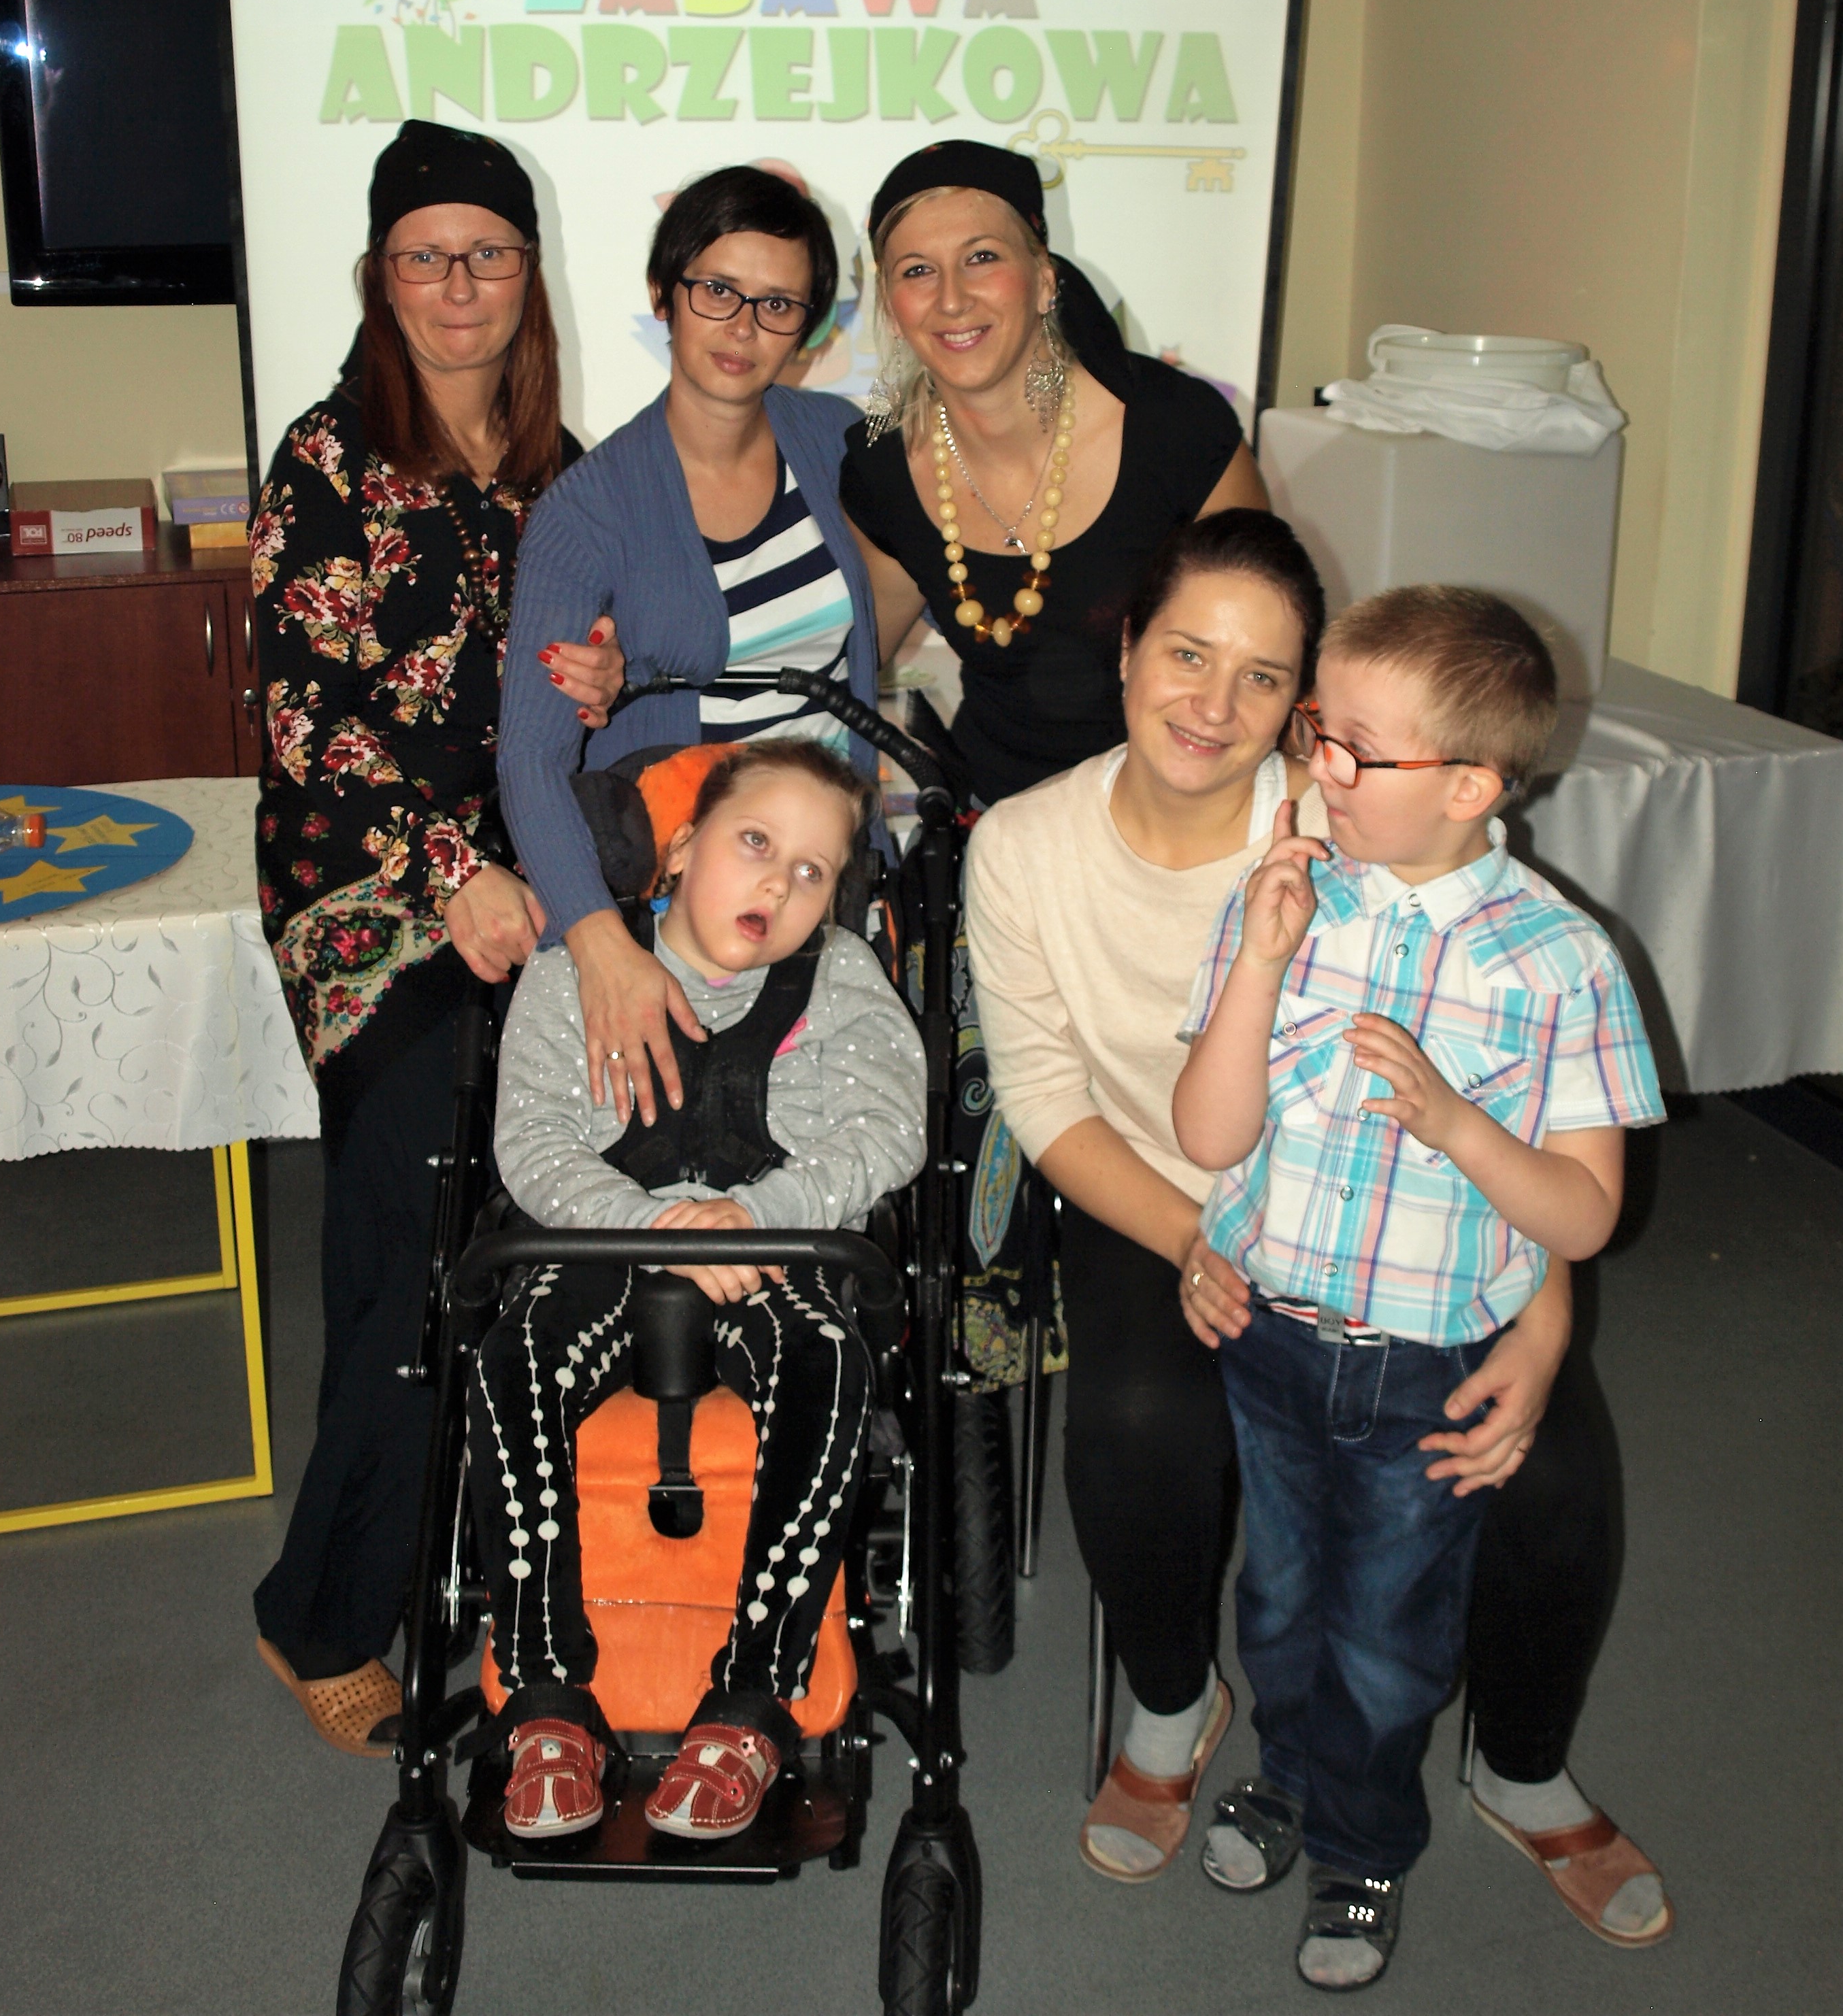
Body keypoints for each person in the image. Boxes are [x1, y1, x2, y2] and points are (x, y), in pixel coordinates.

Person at [965, 518, 1674, 1953]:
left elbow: (1559, 1157)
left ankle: (1510, 1766)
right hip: (1164, 1198)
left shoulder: (1349, 821)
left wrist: (1543, 1320)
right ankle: (1187, 1709)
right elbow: (1061, 1104)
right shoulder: (1047, 846)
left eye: (1264, 679)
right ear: (1126, 649)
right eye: (1185, 653)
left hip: (1425, 1261)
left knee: (1540, 1478)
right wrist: (1196, 1238)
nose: (1214, 704)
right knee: (1164, 1449)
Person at [1172, 586, 1665, 1991]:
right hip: (1271, 1337)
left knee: (1388, 1635)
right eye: (1319, 731)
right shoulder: (1284, 900)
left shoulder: (1559, 963)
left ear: (1470, 786)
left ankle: (1363, 1843)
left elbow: (1584, 1214)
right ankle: (1288, 1775)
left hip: (1423, 1370)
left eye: (1356, 749)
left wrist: (1459, 1125)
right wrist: (1261, 958)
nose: (1318, 767)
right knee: (1278, 1599)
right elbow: (1208, 1134)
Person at [251, 120, 603, 1753]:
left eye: (488, 253)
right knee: (420, 1206)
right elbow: (305, 719)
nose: (458, 285)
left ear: (527, 275)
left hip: (529, 881)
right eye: (424, 257)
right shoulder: (327, 461)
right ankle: (319, 1610)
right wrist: (452, 867)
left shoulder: (561, 466)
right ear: (380, 280)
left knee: (566, 1196)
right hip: (366, 897)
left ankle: (494, 1550)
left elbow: (591, 683)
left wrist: (609, 679)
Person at [469, 739, 924, 1841]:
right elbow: (533, 1140)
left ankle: (752, 1700)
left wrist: (761, 1215)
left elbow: (887, 1127)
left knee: (825, 1362)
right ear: (679, 850)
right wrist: (653, 1229)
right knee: (511, 1350)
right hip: (601, 1241)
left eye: (812, 870)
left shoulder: (841, 982)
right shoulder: (575, 969)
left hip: (778, 1248)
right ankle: (544, 1695)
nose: (778, 883)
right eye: (755, 843)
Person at [498, 165, 878, 1134]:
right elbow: (530, 759)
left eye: (778, 304)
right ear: (664, 293)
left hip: (827, 873)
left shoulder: (838, 440)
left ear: (809, 328)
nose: (743, 327)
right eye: (717, 291)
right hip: (685, 902)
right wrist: (600, 947)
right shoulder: (587, 510)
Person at [840, 139, 1268, 806]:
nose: (951, 299)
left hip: (1183, 814)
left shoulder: (1174, 430)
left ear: (1044, 280)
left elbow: (1267, 657)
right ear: (892, 310)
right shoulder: (883, 473)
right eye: (918, 271)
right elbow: (851, 660)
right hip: (997, 823)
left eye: (982, 258)